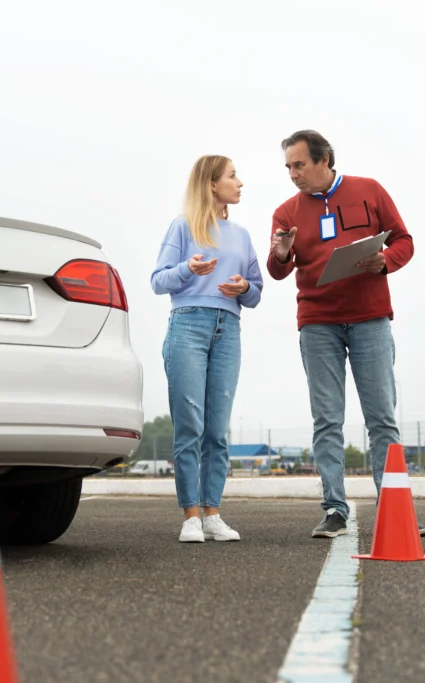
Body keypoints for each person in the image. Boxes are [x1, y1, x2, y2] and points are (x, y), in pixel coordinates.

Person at [265, 130, 425, 539]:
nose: (293, 174)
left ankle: (395, 507)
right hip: (317, 323)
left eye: (299, 165)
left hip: (371, 320)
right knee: (327, 421)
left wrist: (385, 260)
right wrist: (282, 253)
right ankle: (334, 510)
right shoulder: (286, 212)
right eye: (288, 167)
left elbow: (404, 241)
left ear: (324, 160)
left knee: (382, 420)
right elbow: (276, 269)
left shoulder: (370, 190)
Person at [151, 155, 264, 543]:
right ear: (212, 184)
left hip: (227, 327)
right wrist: (188, 270)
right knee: (190, 427)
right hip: (188, 325)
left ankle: (213, 513)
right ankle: (191, 517)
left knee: (217, 430)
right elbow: (158, 280)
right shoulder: (182, 227)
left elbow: (256, 292)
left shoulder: (242, 235)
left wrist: (244, 288)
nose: (240, 182)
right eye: (233, 176)